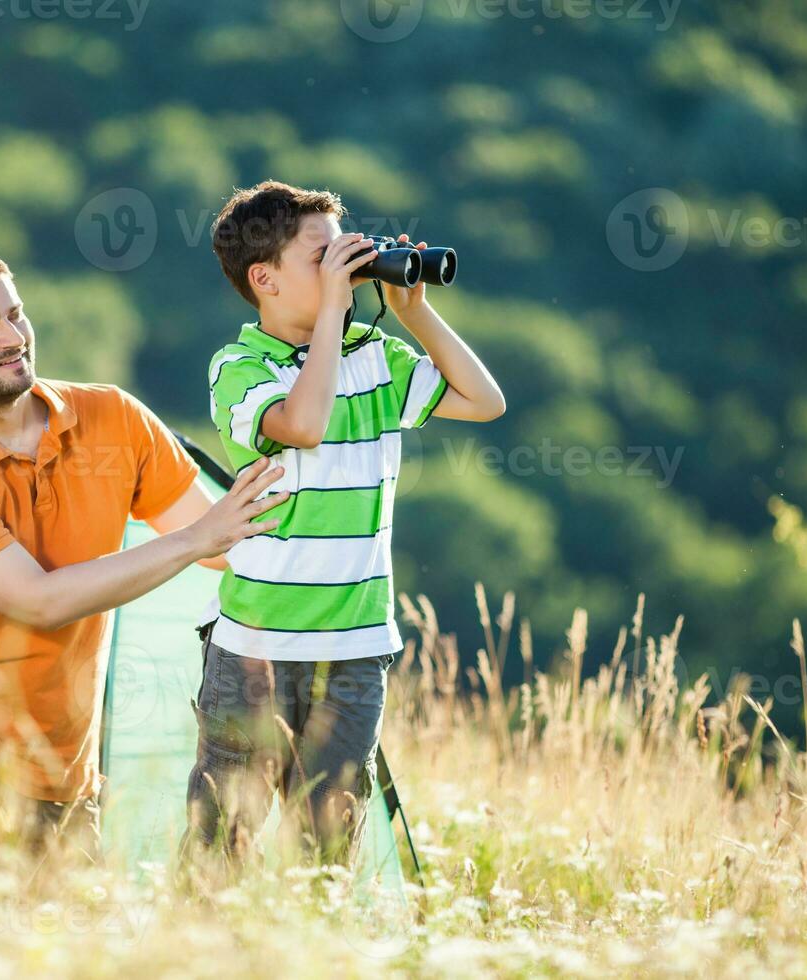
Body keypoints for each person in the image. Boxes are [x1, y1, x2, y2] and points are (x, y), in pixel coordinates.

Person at [0, 233, 290, 874]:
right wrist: (195, 541)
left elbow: (222, 541)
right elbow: (40, 602)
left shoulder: (114, 419)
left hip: (63, 772)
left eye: (15, 314)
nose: (13, 336)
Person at [186, 180, 505, 870]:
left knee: (326, 847)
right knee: (223, 840)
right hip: (254, 651)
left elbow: (485, 402)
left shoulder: (374, 357)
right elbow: (302, 425)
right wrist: (334, 313)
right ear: (263, 279)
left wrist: (414, 314)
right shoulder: (238, 368)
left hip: (355, 649)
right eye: (324, 257)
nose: (347, 266)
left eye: (348, 252)